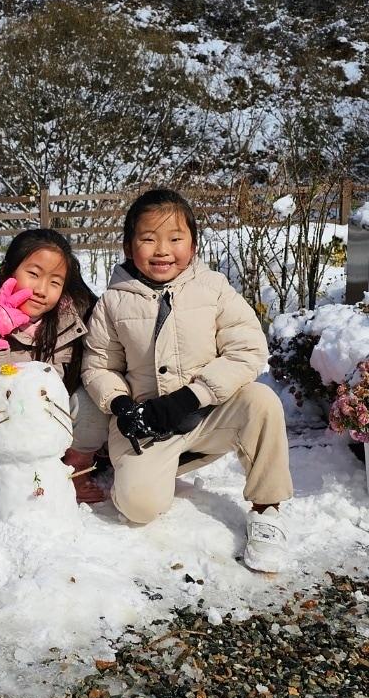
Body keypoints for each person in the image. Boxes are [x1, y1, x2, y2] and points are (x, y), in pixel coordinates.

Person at [82, 188, 293, 572]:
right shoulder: (112, 302)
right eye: (149, 239)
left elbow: (248, 350)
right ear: (129, 246)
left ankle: (267, 510)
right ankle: (166, 464)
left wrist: (191, 397)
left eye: (175, 239)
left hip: (206, 410)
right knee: (137, 507)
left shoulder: (213, 288)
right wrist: (120, 404)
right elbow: (98, 366)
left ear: (192, 244)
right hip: (147, 423)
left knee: (262, 402)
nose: (162, 250)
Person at [0, 228, 108, 503]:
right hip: (7, 423)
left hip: (55, 422)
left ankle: (76, 470)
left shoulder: (74, 320)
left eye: (55, 282)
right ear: (7, 271)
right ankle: (8, 473)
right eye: (33, 274)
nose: (42, 290)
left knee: (92, 400)